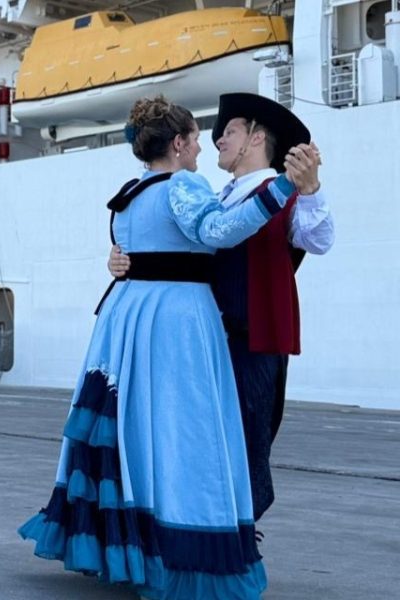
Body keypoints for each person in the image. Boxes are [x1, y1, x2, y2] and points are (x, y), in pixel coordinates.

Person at [19, 96, 309, 599]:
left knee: (134, 432)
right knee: (186, 436)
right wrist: (283, 187)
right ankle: (183, 545)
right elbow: (216, 230)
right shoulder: (183, 183)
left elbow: (133, 247)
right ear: (177, 144)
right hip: (177, 320)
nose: (203, 146)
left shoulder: (129, 192)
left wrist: (117, 259)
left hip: (125, 317)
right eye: (196, 138)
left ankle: (121, 541)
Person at [107, 93, 331, 521]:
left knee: (246, 441)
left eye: (228, 131)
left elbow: (318, 241)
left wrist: (311, 189)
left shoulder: (279, 193)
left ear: (255, 137)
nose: (218, 142)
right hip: (205, 340)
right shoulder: (215, 196)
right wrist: (121, 258)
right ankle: (208, 527)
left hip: (253, 338)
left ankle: (239, 534)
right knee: (206, 443)